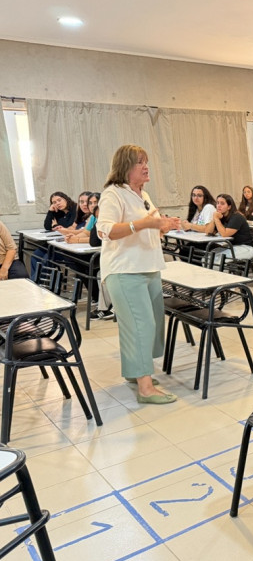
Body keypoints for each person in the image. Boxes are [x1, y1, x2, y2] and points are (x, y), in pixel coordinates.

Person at [96, 144, 181, 404]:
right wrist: (145, 223)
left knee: (151, 324)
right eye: (139, 163)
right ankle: (145, 387)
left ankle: (136, 373)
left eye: (146, 161)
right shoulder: (113, 194)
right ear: (125, 167)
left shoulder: (143, 194)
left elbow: (150, 227)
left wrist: (163, 226)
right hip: (125, 270)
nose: (146, 167)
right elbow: (106, 230)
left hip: (148, 266)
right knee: (140, 326)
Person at [206, 194, 253, 264]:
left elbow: (224, 234)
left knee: (217, 261)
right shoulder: (220, 216)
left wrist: (216, 218)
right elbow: (208, 232)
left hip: (245, 248)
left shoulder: (236, 217)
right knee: (207, 258)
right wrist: (214, 218)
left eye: (222, 203)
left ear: (229, 207)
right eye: (217, 203)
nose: (218, 205)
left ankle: (221, 274)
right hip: (231, 246)